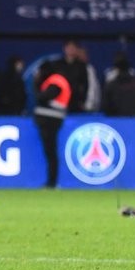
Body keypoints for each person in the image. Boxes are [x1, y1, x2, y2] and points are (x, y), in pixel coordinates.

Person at [34, 40, 89, 188]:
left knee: (50, 151)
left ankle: (51, 182)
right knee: (51, 151)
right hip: (55, 117)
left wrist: (38, 92)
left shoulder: (56, 81)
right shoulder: (60, 80)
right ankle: (51, 181)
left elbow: (43, 97)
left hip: (49, 119)